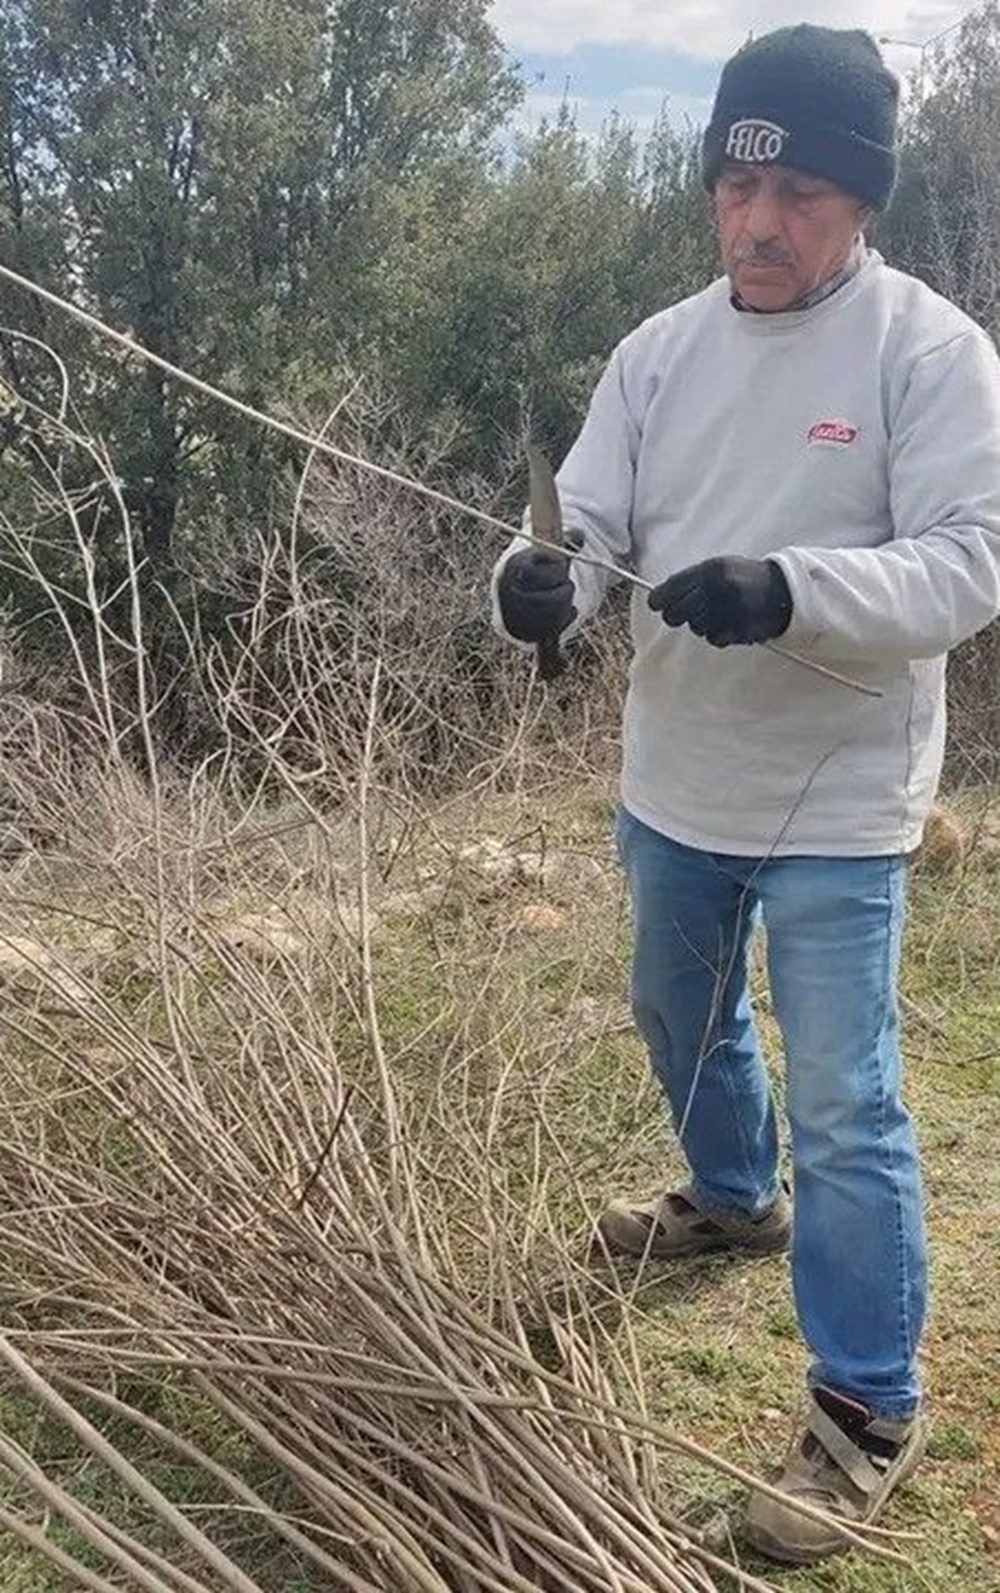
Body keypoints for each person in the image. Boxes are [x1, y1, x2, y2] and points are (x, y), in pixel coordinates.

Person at [491, 23, 1000, 1568]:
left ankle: (864, 1409)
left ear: (861, 202)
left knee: (850, 1106)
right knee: (677, 1016)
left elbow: (970, 565)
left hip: (839, 810)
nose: (762, 223)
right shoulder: (657, 354)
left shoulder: (932, 353)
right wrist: (532, 590)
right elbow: (574, 528)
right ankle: (730, 1195)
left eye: (801, 193)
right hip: (676, 782)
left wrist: (789, 589)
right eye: (737, 185)